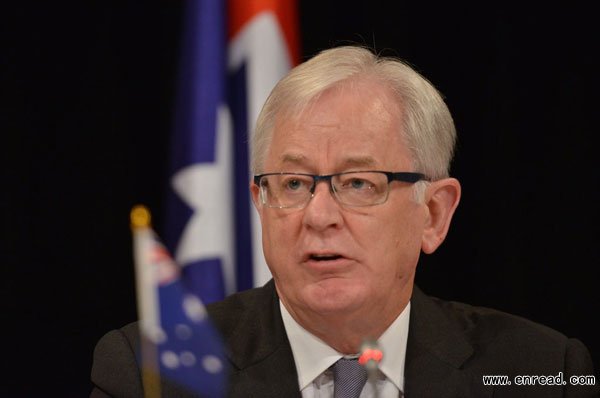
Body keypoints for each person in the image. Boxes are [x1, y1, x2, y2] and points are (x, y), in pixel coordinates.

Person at [90, 45, 598, 397]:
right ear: (260, 202)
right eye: (292, 184)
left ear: (434, 214)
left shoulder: (544, 371)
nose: (319, 215)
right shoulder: (152, 374)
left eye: (359, 184)